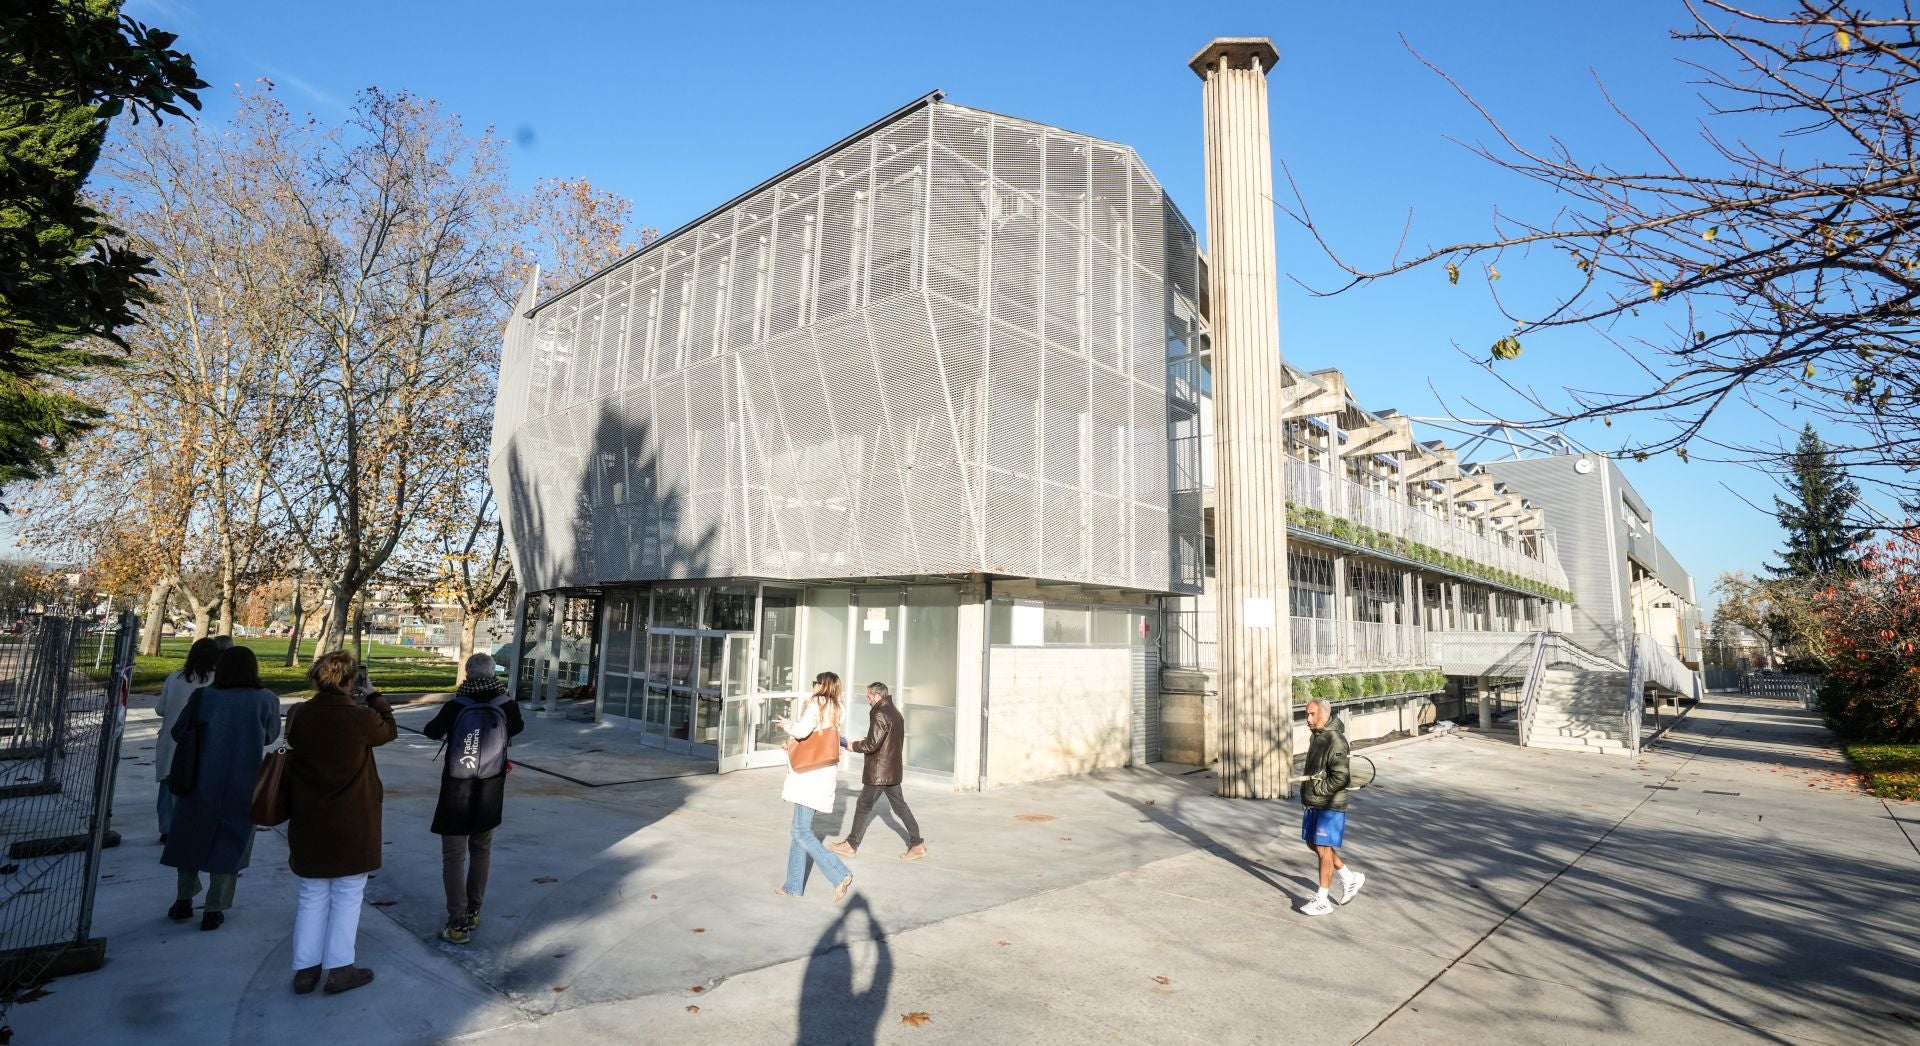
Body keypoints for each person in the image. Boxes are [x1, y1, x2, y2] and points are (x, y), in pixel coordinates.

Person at [285, 650, 397, 995]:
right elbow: (389, 730)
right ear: (351, 682)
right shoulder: (361, 718)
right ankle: (340, 967)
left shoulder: (299, 714)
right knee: (348, 893)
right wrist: (374, 695)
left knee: (312, 893)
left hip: (309, 816)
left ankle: (305, 969)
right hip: (352, 819)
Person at [159, 646, 281, 931]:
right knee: (231, 844)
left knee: (189, 838)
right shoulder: (266, 700)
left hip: (200, 779)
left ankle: (183, 899)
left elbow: (179, 731)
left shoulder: (204, 696)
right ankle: (215, 908)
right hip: (244, 780)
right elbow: (270, 736)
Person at [421, 653, 524, 944]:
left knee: (453, 856)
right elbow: (517, 729)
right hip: (490, 786)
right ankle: (474, 910)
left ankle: (457, 923)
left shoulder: (457, 705)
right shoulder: (506, 704)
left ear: (467, 674)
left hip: (456, 787)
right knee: (481, 848)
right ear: (493, 674)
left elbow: (431, 732)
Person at [773, 672, 854, 902]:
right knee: (798, 831)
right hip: (822, 774)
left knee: (800, 831)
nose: (813, 686)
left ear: (822, 685)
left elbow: (802, 731)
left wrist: (786, 724)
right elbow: (820, 738)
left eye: (815, 682)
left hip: (808, 776)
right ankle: (793, 886)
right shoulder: (838, 708)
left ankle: (840, 873)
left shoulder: (817, 704)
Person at [829, 682, 926, 861]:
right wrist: (867, 739)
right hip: (892, 770)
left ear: (877, 696)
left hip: (879, 772)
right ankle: (917, 844)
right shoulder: (895, 712)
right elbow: (886, 740)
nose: (867, 700)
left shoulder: (880, 713)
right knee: (900, 807)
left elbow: (872, 745)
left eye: (868, 696)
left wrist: (853, 746)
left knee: (863, 806)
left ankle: (851, 845)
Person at [1297, 699, 1364, 917]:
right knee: (1312, 843)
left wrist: (1318, 789)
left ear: (1325, 714)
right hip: (1315, 802)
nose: (1308, 719)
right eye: (1306, 714)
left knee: (1323, 848)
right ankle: (1349, 877)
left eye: (1312, 714)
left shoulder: (1335, 740)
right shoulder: (1317, 737)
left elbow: (1341, 778)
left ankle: (1323, 900)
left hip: (1330, 803)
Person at [153, 637, 221, 842]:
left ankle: (167, 828)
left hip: (172, 738)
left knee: (167, 783)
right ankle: (195, 827)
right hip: (203, 741)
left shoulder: (175, 678)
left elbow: (160, 709)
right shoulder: (217, 682)